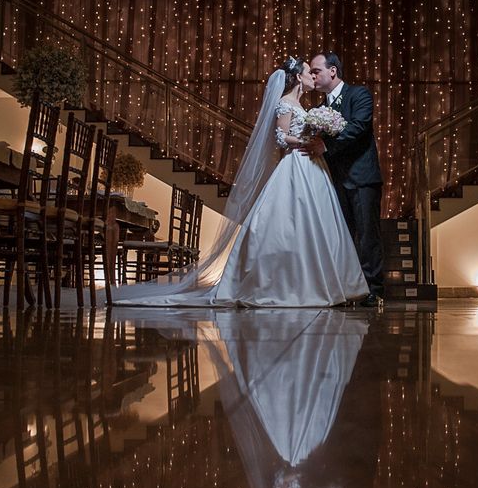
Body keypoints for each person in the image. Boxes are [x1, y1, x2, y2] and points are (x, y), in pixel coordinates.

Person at [114, 58, 367, 307]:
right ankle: (285, 284)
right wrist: (304, 142)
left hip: (311, 167)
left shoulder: (305, 106)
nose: (313, 76)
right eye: (308, 73)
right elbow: (280, 137)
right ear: (298, 78)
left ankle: (318, 282)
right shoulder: (285, 103)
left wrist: (316, 132)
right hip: (296, 165)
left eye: (315, 73)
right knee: (287, 224)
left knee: (315, 223)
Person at [308, 52, 385, 307]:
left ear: (332, 71)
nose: (313, 76)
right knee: (342, 236)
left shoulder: (359, 94)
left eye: (316, 70)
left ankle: (373, 289)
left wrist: (326, 147)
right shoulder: (320, 108)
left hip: (362, 178)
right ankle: (347, 287)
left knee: (366, 235)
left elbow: (359, 127)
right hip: (335, 180)